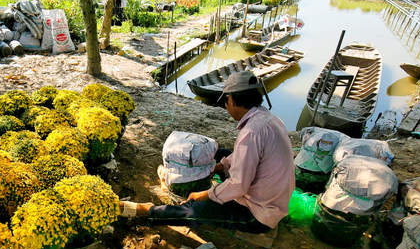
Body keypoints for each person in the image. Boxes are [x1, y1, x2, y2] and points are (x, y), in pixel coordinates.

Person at [121, 71, 295, 234]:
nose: (227, 107)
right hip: (270, 194)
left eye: (226, 103)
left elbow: (239, 185)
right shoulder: (268, 118)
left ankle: (146, 210)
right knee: (223, 154)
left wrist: (204, 195)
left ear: (230, 100)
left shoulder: (251, 132)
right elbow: (240, 158)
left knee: (195, 210)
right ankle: (214, 180)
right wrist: (218, 168)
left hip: (258, 214)